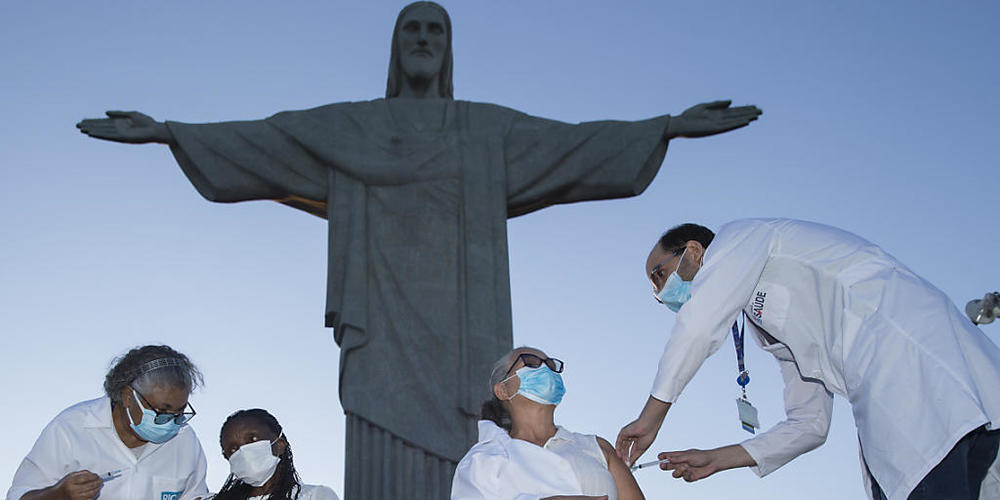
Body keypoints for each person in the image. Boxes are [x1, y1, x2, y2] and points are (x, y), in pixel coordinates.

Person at [75, 2, 761, 496]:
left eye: (437, 29)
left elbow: (573, 143)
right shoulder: (355, 126)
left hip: (467, 311)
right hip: (382, 311)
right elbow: (269, 140)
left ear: (450, 48)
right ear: (397, 47)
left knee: (480, 429)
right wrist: (170, 132)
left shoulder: (484, 131)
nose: (425, 39)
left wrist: (668, 127)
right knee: (383, 437)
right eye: (413, 29)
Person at [614, 218, 1000, 499]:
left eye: (659, 275)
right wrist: (718, 458)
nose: (661, 291)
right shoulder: (763, 322)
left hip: (913, 373)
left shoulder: (742, 238)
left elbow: (699, 327)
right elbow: (810, 421)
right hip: (918, 405)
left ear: (695, 252)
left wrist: (651, 417)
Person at [7, 345, 209, 500]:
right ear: (128, 396)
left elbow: (195, 495)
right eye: (162, 411)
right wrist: (57, 494)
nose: (171, 423)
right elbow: (18, 495)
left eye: (179, 412)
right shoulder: (71, 429)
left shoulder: (185, 441)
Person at [452, 346, 642, 500]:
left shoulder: (597, 447)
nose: (546, 370)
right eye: (532, 363)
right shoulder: (482, 460)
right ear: (503, 390)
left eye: (551, 366)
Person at [212, 409, 338, 500]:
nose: (244, 451)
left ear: (279, 444)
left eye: (253, 439)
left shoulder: (316, 496)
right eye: (233, 449)